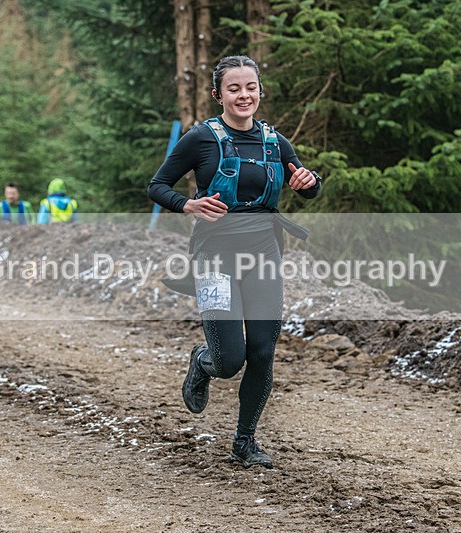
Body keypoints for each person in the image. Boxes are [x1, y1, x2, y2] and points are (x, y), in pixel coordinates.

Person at [147, 55, 321, 468]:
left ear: (260, 91)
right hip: (214, 256)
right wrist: (188, 204)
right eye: (234, 88)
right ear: (218, 94)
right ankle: (202, 361)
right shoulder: (200, 139)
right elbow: (157, 186)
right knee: (230, 361)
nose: (244, 95)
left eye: (251, 88)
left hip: (264, 254)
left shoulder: (275, 142)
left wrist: (309, 182)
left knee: (262, 352)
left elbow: (308, 187)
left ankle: (245, 442)